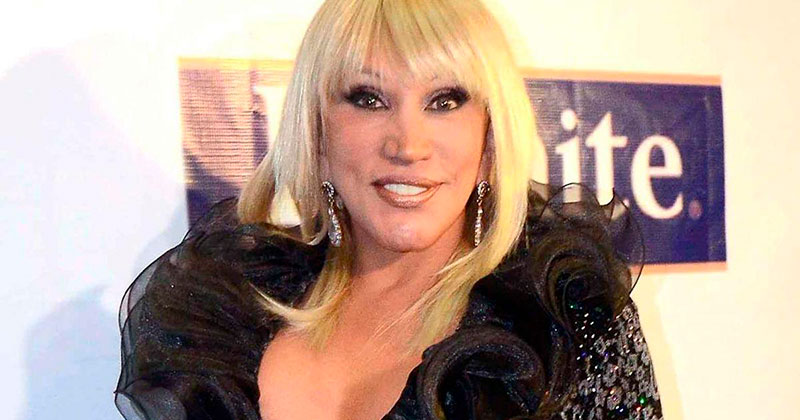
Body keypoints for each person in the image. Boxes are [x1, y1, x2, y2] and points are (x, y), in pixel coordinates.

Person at [115, 0, 663, 419]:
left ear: (490, 139)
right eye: (368, 99)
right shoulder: (223, 317)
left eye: (445, 102)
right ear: (317, 133)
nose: (408, 144)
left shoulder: (562, 329)